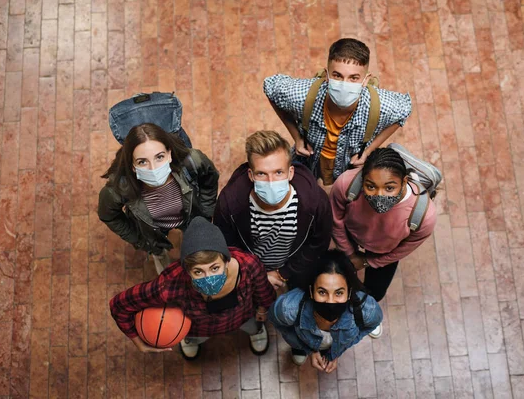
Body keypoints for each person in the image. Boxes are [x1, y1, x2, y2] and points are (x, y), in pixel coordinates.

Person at [109, 217, 276, 359]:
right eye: (198, 271)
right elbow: (119, 305)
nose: (208, 278)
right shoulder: (170, 285)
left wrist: (262, 311)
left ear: (226, 260)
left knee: (254, 326)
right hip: (199, 328)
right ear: (186, 270)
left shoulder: (249, 265)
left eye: (214, 268)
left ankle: (257, 331)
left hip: (243, 317)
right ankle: (189, 339)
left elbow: (264, 293)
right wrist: (137, 341)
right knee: (195, 338)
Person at [264, 38, 412, 185]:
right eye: (337, 76)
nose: (344, 84)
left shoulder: (380, 105)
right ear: (327, 75)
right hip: (310, 158)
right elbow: (270, 87)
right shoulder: (303, 95)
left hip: (349, 165)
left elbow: (404, 110)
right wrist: (296, 137)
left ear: (366, 80)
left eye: (354, 78)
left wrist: (367, 151)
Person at [213, 130, 332, 290]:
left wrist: (284, 273)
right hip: (248, 272)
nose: (271, 182)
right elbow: (228, 247)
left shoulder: (315, 202)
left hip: (296, 269)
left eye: (278, 172)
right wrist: (256, 275)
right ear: (251, 175)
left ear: (290, 173)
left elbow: (317, 244)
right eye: (261, 173)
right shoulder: (229, 205)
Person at [98, 123, 219, 274]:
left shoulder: (192, 161)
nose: (153, 168)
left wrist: (206, 214)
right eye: (142, 161)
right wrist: (141, 240)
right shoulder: (118, 189)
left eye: (159, 157)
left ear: (169, 154)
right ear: (132, 166)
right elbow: (109, 216)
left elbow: (210, 179)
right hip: (152, 233)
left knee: (197, 252)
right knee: (164, 268)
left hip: (190, 217)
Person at [330, 147, 437, 301]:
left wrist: (368, 261)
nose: (379, 195)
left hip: (384, 250)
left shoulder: (424, 216)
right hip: (351, 233)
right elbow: (336, 221)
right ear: (362, 179)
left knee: (376, 292)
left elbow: (402, 250)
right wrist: (350, 253)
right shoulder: (346, 184)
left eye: (389, 188)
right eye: (371, 186)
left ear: (404, 181)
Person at [268, 250, 383, 372]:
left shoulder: (367, 310)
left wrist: (338, 351)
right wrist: (306, 349)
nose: (330, 301)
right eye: (322, 292)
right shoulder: (288, 309)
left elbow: (372, 324)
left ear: (349, 292)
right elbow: (278, 323)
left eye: (339, 293)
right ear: (311, 291)